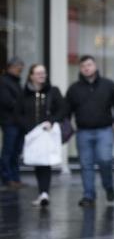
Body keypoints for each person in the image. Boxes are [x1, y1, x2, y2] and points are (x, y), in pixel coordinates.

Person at [66, 56, 114, 207]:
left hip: (105, 130)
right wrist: (65, 127)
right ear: (80, 69)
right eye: (83, 66)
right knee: (86, 164)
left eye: (89, 64)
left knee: (105, 160)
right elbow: (66, 111)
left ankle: (108, 186)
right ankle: (89, 195)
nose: (86, 68)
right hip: (83, 132)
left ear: (95, 66)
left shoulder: (109, 85)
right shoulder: (74, 89)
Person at [15, 64, 66, 206]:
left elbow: (62, 109)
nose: (41, 75)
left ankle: (44, 193)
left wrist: (51, 121)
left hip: (47, 133)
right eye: (38, 73)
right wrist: (28, 127)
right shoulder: (24, 93)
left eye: (43, 73)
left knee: (46, 163)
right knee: (37, 162)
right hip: (31, 134)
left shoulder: (53, 91)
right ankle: (42, 193)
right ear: (31, 76)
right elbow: (17, 113)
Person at [0, 57, 25, 189]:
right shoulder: (4, 82)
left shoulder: (16, 82)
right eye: (18, 67)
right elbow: (6, 101)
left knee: (16, 151)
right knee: (8, 151)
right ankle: (7, 178)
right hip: (9, 122)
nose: (19, 70)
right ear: (10, 67)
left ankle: (15, 178)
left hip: (18, 122)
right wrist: (21, 106)